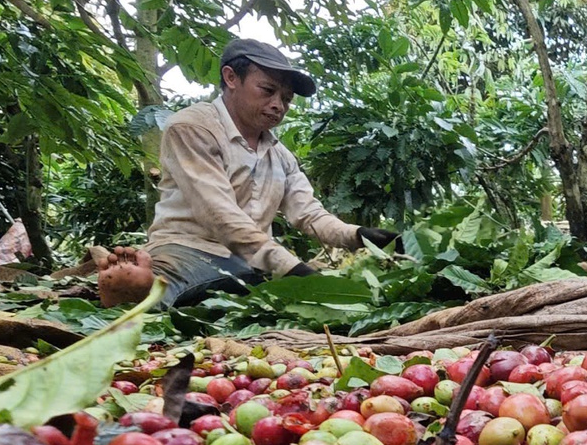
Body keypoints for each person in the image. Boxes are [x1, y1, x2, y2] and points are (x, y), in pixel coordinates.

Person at [145, 37, 401, 307]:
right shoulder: (193, 128)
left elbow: (309, 214)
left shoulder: (280, 156)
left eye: (286, 99)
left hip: (250, 267)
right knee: (153, 296)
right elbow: (220, 215)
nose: (278, 105)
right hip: (189, 252)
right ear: (231, 78)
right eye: (268, 90)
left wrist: (360, 235)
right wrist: (293, 268)